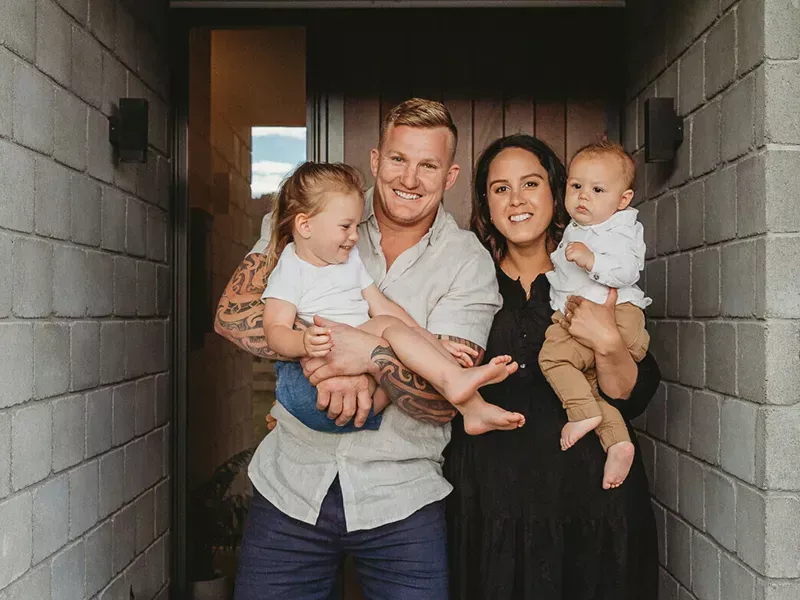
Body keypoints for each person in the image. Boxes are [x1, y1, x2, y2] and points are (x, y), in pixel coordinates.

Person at [214, 98, 501, 600]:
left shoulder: (467, 262)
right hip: (291, 487)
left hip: (402, 498)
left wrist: (367, 356)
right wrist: (326, 353)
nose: (409, 178)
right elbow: (233, 316)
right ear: (375, 159)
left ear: (450, 175)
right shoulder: (315, 212)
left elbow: (442, 403)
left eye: (428, 165)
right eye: (398, 159)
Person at [445, 134, 661, 600]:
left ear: (556, 192)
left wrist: (607, 342)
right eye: (500, 188)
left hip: (589, 502)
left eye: (531, 183)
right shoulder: (465, 280)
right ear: (485, 203)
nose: (516, 199)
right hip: (489, 503)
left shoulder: (595, 273)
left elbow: (630, 396)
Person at [260, 160, 524, 435]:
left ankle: (473, 408)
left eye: (356, 226)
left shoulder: (349, 260)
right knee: (388, 329)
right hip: (312, 387)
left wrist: (432, 344)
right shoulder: (291, 267)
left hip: (363, 399)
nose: (354, 236)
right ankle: (455, 380)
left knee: (397, 330)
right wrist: (303, 342)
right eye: (345, 226)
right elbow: (274, 329)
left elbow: (381, 304)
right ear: (305, 225)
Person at [539, 141, 651, 489]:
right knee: (590, 383)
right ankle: (617, 442)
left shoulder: (620, 227)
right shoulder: (581, 227)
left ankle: (582, 414)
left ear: (623, 199)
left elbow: (629, 269)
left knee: (553, 358)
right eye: (576, 186)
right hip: (596, 316)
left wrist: (592, 261)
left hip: (612, 315)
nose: (583, 196)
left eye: (597, 190)